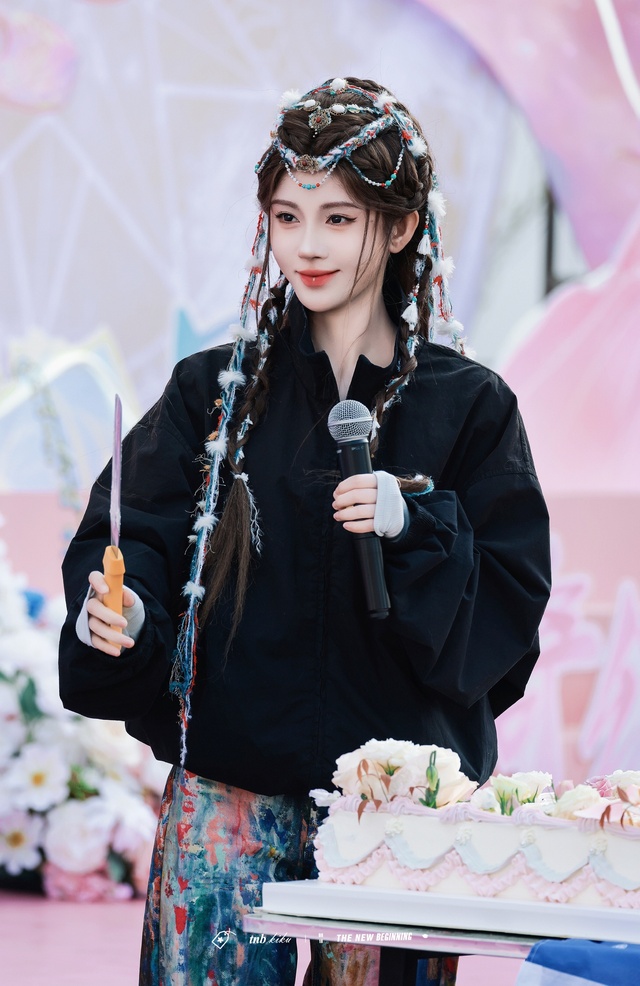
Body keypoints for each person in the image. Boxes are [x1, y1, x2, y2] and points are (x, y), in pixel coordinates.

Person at [59, 76, 551, 986]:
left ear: (400, 228)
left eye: (338, 219)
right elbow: (137, 540)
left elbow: (510, 606)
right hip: (228, 786)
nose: (307, 246)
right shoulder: (213, 394)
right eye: (288, 218)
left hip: (391, 808)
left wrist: (419, 528)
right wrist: (123, 615)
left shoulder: (471, 407)